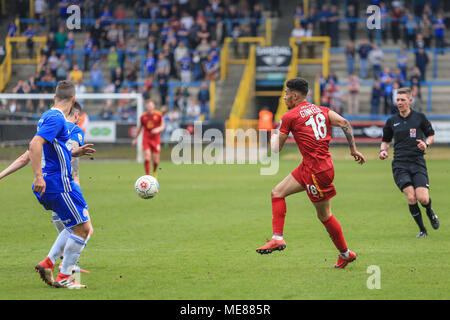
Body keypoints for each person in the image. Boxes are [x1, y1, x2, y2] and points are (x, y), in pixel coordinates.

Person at [256, 78, 366, 269]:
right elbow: (345, 123)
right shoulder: (322, 110)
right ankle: (277, 238)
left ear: (295, 96)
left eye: (286, 93)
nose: (284, 97)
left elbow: (276, 150)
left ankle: (346, 254)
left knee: (324, 215)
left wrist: (273, 136)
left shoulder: (290, 116)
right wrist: (353, 150)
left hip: (316, 171)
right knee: (277, 193)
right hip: (312, 165)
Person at [29, 81, 95, 288]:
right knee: (84, 229)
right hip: (59, 184)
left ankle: (48, 263)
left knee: (75, 227)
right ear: (73, 99)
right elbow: (34, 145)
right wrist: (38, 176)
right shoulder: (57, 117)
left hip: (57, 184)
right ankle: (64, 276)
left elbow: (54, 148)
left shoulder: (48, 116)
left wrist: (76, 152)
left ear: (55, 96)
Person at [379, 87, 439, 238]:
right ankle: (422, 230)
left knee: (423, 198)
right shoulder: (392, 121)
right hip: (400, 164)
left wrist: (426, 144)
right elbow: (385, 141)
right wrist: (383, 151)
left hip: (417, 161)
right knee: (411, 198)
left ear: (410, 101)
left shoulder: (419, 117)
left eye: (402, 100)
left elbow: (431, 135)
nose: (399, 102)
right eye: (397, 100)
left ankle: (429, 210)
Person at [132, 101, 165, 177]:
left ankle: (154, 171)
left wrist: (158, 129)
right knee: (147, 157)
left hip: (156, 139)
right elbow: (140, 128)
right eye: (148, 106)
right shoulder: (143, 116)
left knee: (156, 160)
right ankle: (147, 175)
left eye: (151, 105)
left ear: (154, 106)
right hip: (146, 138)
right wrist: (135, 139)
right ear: (146, 107)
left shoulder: (158, 115)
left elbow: (163, 126)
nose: (149, 107)